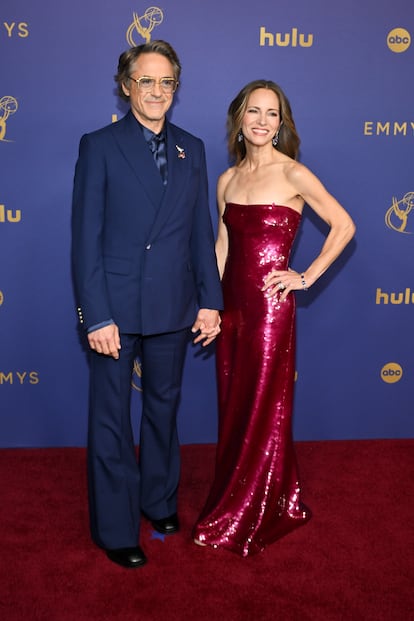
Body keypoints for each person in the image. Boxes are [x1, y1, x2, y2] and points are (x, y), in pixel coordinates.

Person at [71, 40, 222, 569]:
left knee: (163, 410)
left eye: (166, 82)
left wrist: (210, 300)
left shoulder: (192, 148)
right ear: (125, 85)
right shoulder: (100, 145)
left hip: (174, 306)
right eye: (146, 80)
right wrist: (97, 314)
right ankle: (115, 529)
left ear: (175, 89)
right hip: (114, 309)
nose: (156, 91)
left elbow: (199, 234)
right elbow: (85, 239)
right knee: (111, 418)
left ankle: (157, 501)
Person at [193, 80, 355, 557]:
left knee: (263, 404)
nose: (262, 121)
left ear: (281, 123)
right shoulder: (226, 180)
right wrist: (211, 307)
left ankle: (255, 507)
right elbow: (223, 248)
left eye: (272, 113)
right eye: (253, 112)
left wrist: (305, 277)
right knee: (234, 403)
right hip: (233, 310)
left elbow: (344, 225)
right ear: (239, 119)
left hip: (269, 311)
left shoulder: (294, 175)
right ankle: (235, 494)